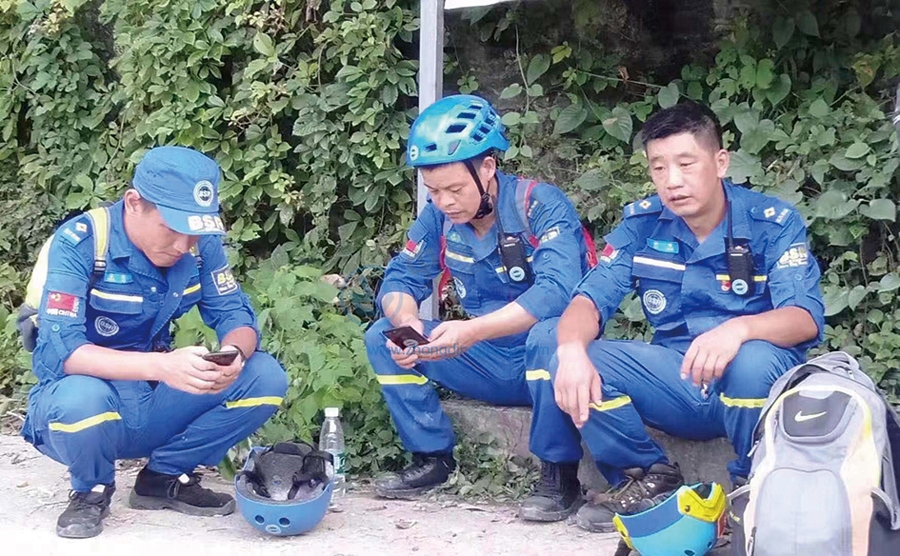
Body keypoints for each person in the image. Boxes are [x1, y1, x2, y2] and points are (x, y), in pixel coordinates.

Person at [528, 101, 825, 533]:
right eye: (659, 167)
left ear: (720, 162)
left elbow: (804, 318)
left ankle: (752, 488)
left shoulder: (771, 223)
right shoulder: (643, 224)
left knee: (752, 361)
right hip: (678, 378)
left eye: (686, 164)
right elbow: (588, 301)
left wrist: (738, 330)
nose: (673, 180)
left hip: (751, 381)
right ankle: (648, 478)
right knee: (565, 350)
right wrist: (572, 350)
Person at [20, 146, 288, 539]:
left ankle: (163, 477)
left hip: (152, 396)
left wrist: (233, 354)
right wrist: (163, 366)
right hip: (81, 405)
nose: (183, 244)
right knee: (81, 398)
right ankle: (91, 491)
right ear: (134, 203)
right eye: (171, 228)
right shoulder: (82, 241)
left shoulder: (199, 245)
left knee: (264, 375)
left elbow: (235, 315)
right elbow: (64, 353)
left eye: (193, 231)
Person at [364, 94, 594, 521]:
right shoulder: (438, 217)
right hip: (487, 358)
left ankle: (559, 476)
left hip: (552, 363)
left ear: (488, 167)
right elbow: (400, 279)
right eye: (434, 191)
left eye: (455, 189)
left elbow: (557, 292)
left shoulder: (539, 205)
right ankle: (432, 458)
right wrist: (407, 323)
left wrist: (470, 331)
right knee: (381, 336)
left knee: (549, 335)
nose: (445, 202)